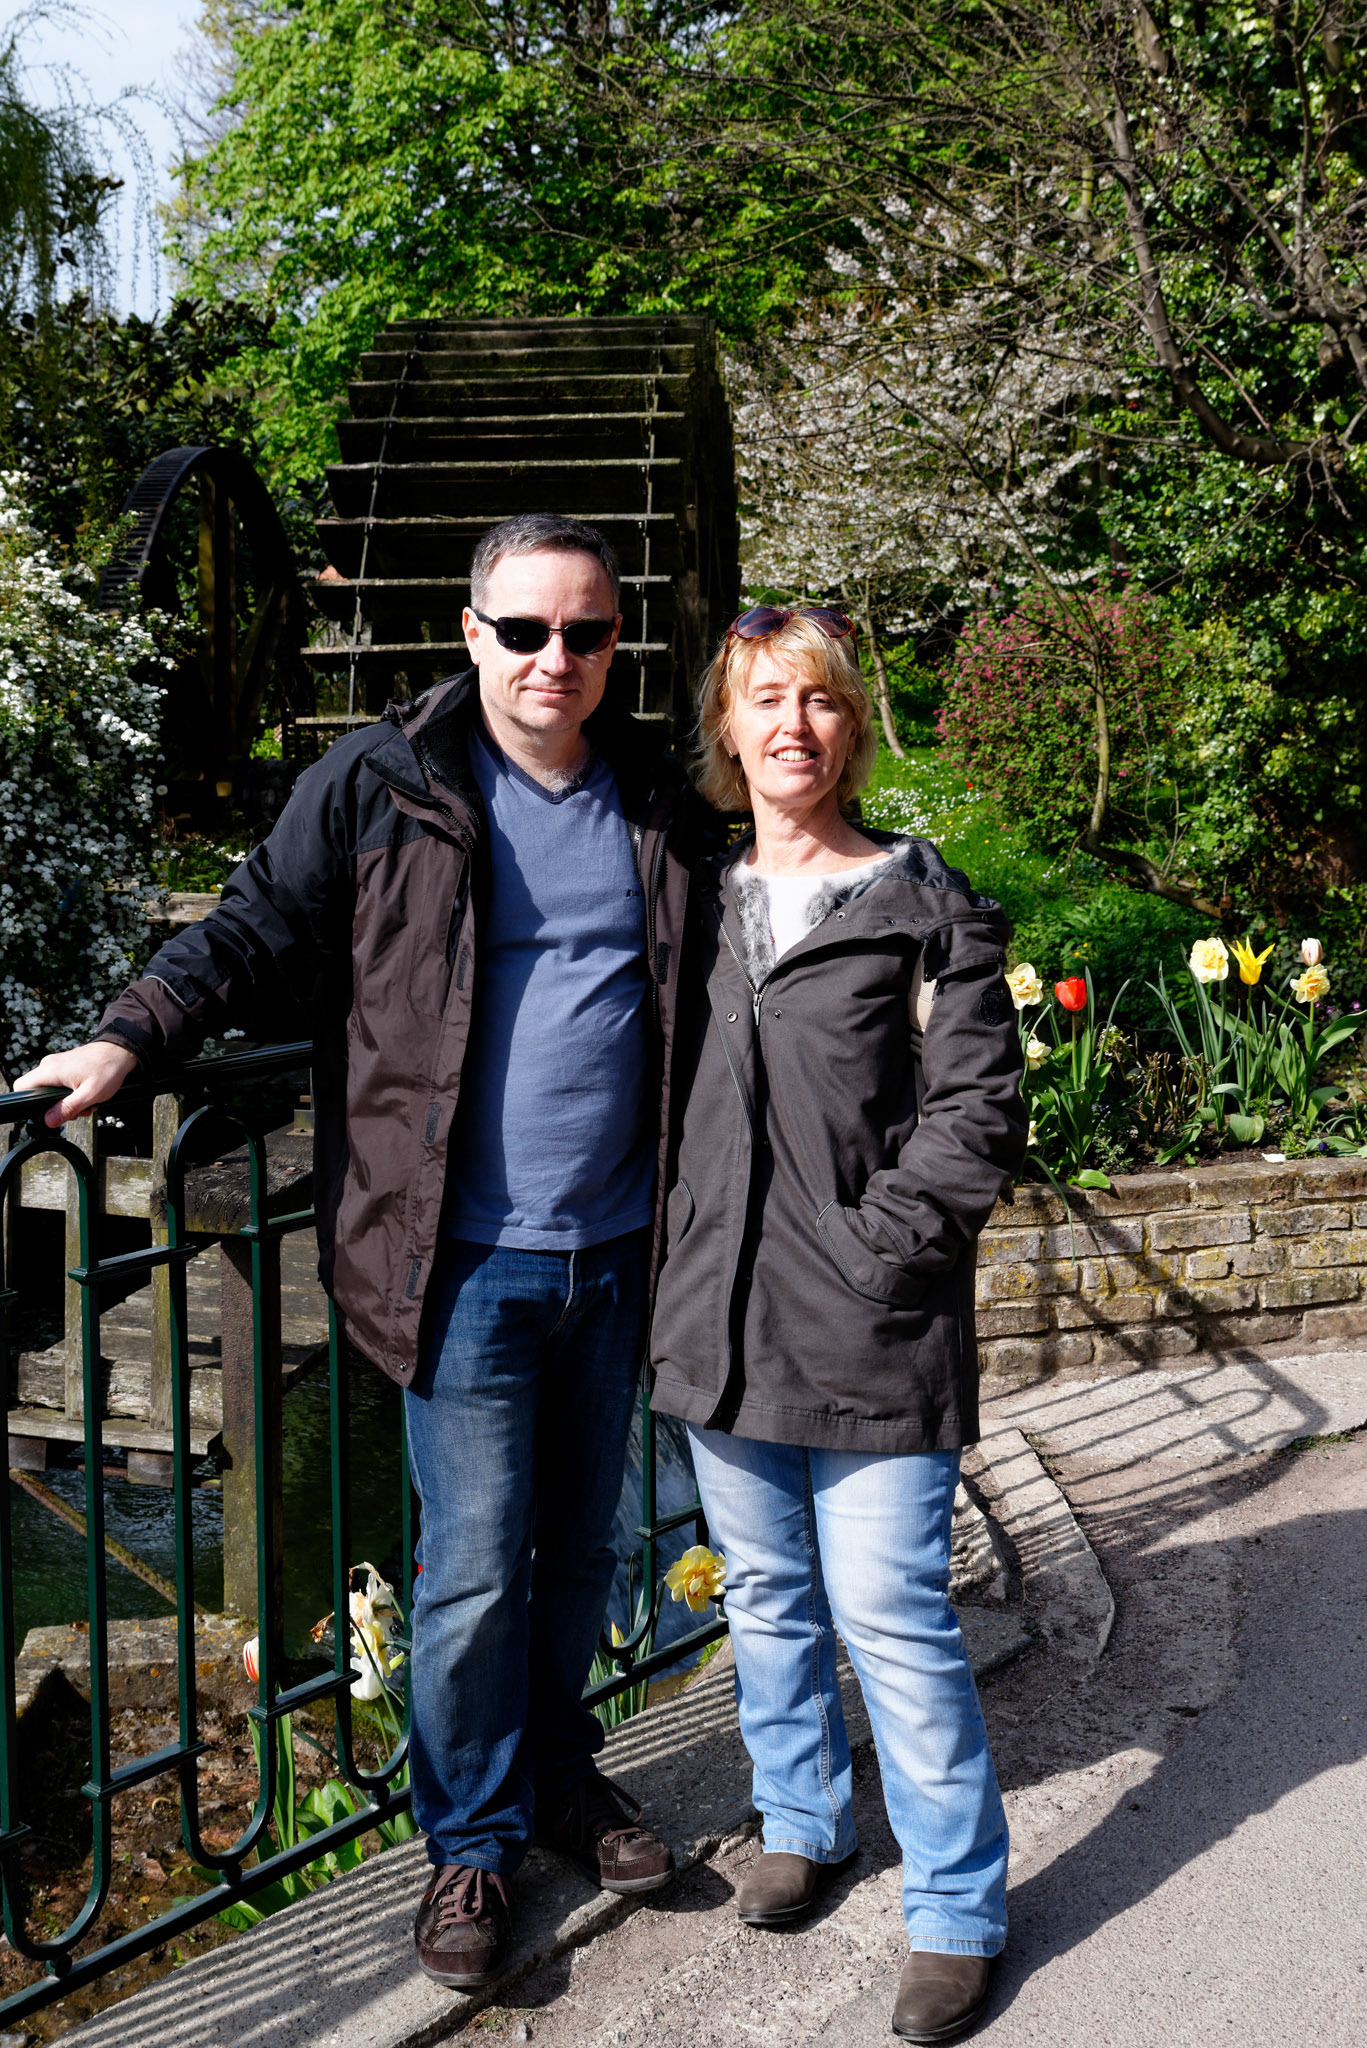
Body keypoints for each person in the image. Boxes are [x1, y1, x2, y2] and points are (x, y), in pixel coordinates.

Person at [16, 514, 719, 1992]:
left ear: (616, 644)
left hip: (618, 1246)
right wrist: (129, 1038)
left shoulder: (657, 794)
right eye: (524, 630)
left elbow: (742, 957)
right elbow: (250, 929)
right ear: (472, 634)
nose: (554, 658)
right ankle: (470, 1842)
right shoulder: (383, 783)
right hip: (454, 1256)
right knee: (467, 1569)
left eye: (585, 632)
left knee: (583, 1549)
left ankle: (563, 1778)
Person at [648, 605, 1027, 2044]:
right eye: (763, 700)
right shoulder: (691, 903)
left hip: (872, 1324)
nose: (790, 725)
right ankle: (803, 1819)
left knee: (892, 1616)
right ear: (726, 731)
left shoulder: (925, 908)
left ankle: (957, 1910)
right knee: (764, 1595)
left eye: (816, 700)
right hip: (714, 1319)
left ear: (851, 726)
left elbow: (977, 1113)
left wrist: (885, 1251)